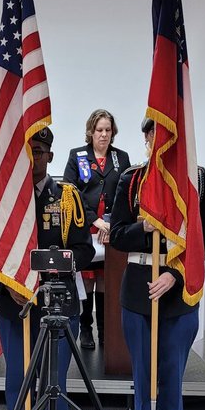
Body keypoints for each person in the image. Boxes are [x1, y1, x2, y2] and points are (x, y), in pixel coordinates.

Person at [0, 127, 94, 410]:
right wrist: (8, 286)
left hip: (57, 302)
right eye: (28, 151)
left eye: (40, 151)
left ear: (51, 156)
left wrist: (49, 268)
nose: (34, 158)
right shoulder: (3, 202)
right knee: (17, 375)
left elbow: (85, 251)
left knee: (54, 378)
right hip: (15, 305)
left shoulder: (67, 197)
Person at [110, 127, 205, 410]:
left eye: (167, 133)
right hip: (139, 290)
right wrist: (145, 226)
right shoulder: (131, 179)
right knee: (143, 375)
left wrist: (177, 272)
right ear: (146, 139)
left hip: (179, 290)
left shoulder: (196, 180)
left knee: (172, 374)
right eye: (153, 134)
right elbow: (117, 236)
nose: (161, 142)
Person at [63, 109, 130, 350]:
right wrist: (94, 220)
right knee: (87, 281)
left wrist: (110, 221)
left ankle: (105, 330)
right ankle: (86, 329)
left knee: (106, 280)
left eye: (108, 130)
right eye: (99, 130)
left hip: (110, 232)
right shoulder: (77, 155)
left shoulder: (120, 158)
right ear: (91, 132)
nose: (103, 135)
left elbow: (126, 194)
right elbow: (70, 193)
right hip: (84, 230)